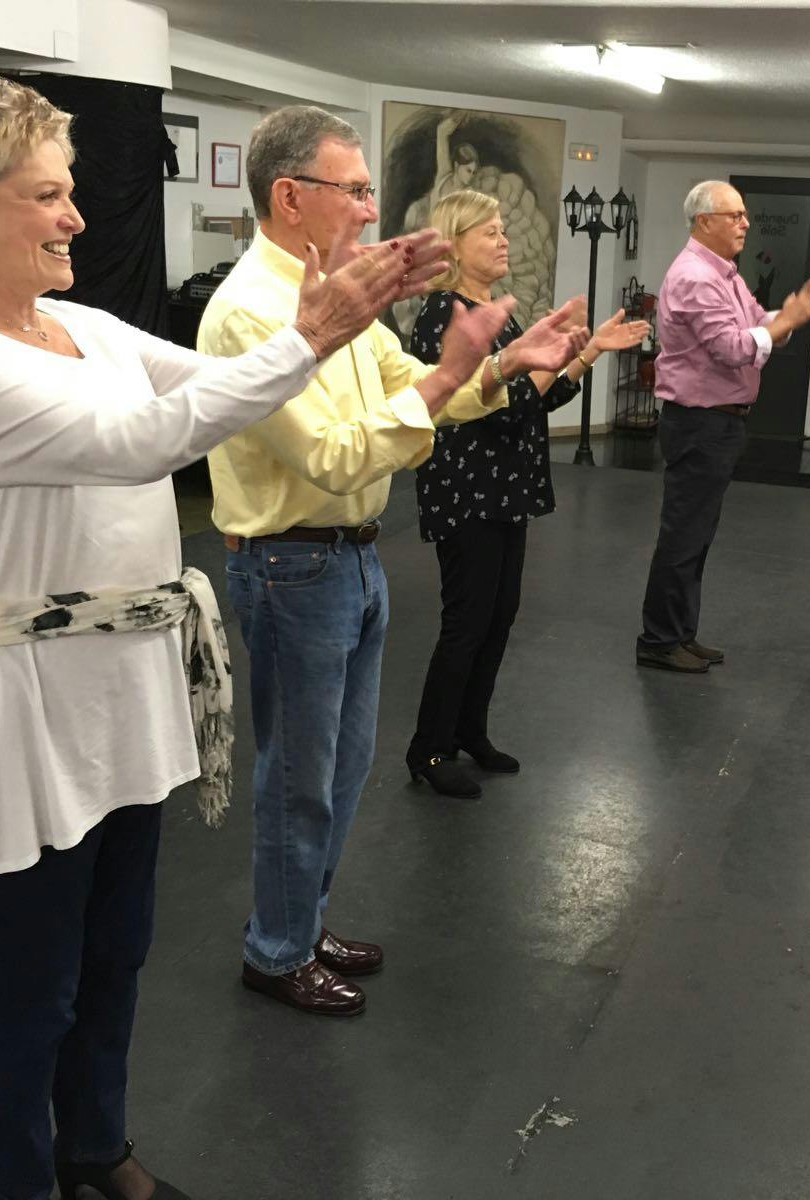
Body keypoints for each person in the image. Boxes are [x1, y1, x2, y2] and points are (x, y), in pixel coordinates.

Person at [0, 75, 449, 1200]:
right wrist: (316, 331)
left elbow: (215, 387)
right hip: (17, 702)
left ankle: (94, 1147)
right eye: (46, 195)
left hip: (119, 690)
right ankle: (17, 1181)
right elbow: (143, 440)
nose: (75, 216)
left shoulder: (78, 322)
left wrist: (331, 324)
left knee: (115, 955)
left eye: (72, 191)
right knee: (31, 983)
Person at [198, 107, 588, 1017]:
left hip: (352, 561)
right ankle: (276, 950)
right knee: (300, 777)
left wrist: (494, 369)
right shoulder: (253, 312)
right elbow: (333, 454)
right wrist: (455, 375)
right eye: (358, 190)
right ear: (290, 197)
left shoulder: (337, 292)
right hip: (294, 567)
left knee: (341, 769)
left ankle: (301, 921)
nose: (372, 210)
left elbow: (405, 392)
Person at [405, 190, 649, 798]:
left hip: (505, 490)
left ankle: (470, 732)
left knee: (498, 617)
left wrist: (587, 352)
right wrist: (552, 356)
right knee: (466, 623)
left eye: (503, 229)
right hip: (467, 491)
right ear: (456, 244)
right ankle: (429, 751)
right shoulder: (446, 315)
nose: (503, 239)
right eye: (488, 232)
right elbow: (499, 410)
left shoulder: (501, 314)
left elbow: (539, 403)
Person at [635, 180, 810, 673]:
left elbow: (754, 321)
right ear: (704, 221)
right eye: (735, 215)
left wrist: (789, 315)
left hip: (716, 423)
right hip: (699, 422)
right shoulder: (697, 277)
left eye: (744, 215)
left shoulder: (724, 273)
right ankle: (658, 641)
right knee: (683, 536)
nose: (746, 223)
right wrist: (787, 321)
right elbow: (734, 348)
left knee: (697, 535)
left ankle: (681, 632)